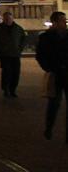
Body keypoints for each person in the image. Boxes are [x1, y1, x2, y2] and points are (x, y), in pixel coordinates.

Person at [36, 10, 68, 141]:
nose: (64, 23)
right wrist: (48, 68)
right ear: (54, 22)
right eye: (62, 21)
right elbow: (40, 55)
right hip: (55, 74)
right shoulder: (45, 37)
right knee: (54, 103)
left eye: (65, 21)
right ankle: (49, 128)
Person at [0, 11, 26, 97]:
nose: (7, 20)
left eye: (9, 18)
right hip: (5, 55)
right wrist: (0, 49)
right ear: (3, 19)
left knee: (16, 73)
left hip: (15, 54)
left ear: (12, 18)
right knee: (6, 73)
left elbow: (23, 39)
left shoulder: (18, 28)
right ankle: (6, 89)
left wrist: (20, 49)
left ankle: (13, 90)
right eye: (6, 18)